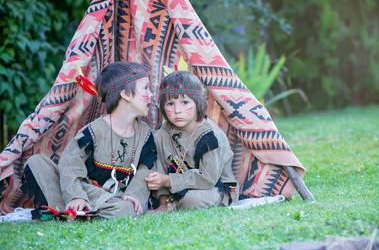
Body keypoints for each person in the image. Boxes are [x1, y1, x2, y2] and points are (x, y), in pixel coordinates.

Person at [21, 62, 157, 219]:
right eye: (146, 88)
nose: (152, 94)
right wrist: (76, 195)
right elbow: (70, 164)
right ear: (126, 94)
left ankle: (70, 214)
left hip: (116, 199)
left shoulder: (145, 133)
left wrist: (135, 196)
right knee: (36, 162)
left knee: (126, 210)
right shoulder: (93, 131)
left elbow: (145, 171)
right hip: (85, 189)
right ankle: (73, 207)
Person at [145, 70, 239, 212]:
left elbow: (208, 179)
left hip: (214, 187)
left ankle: (176, 203)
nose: (177, 110)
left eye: (184, 102)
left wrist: (166, 180)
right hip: (181, 185)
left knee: (191, 200)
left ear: (198, 104)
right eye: (170, 103)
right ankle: (164, 203)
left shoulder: (210, 136)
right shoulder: (167, 129)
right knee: (157, 136)